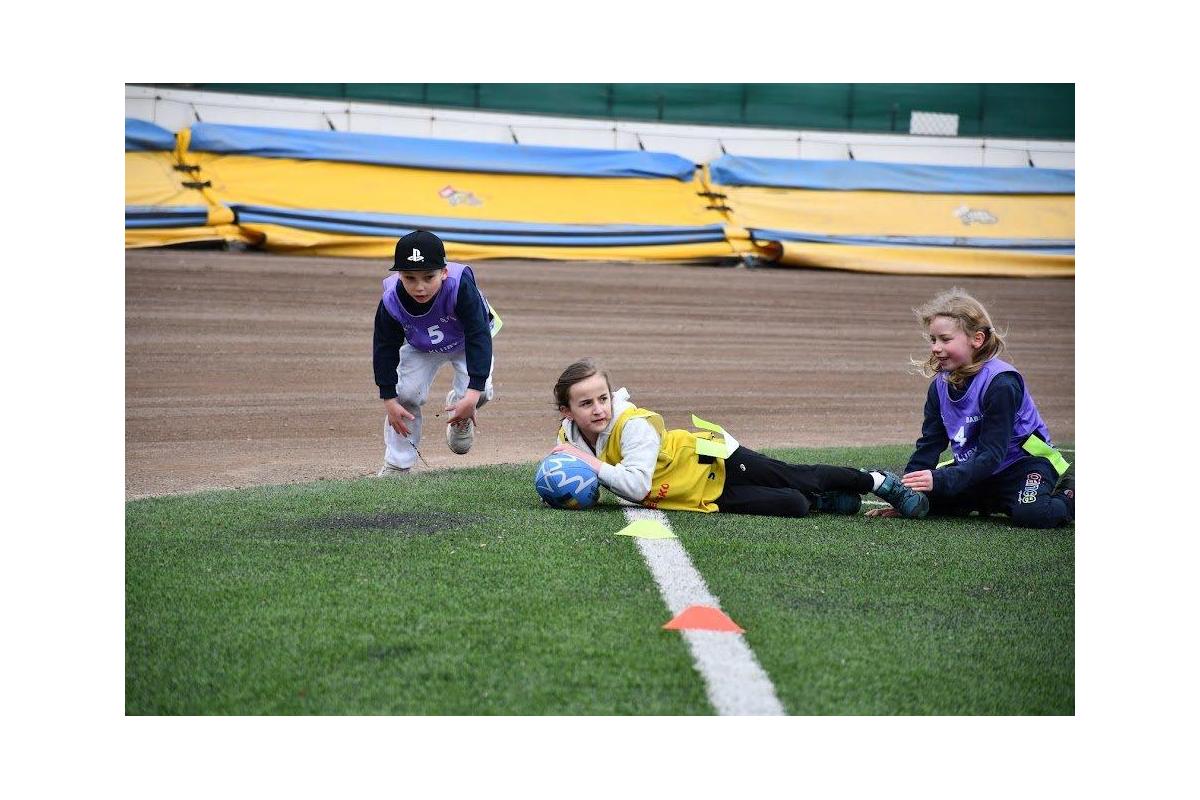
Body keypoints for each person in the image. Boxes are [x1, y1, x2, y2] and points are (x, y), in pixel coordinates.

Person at [548, 359, 928, 517]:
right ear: (567, 411)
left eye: (603, 398)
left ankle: (876, 481)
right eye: (586, 403)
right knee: (794, 505)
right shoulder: (569, 437)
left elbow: (635, 485)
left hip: (713, 458)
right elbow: (583, 480)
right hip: (694, 493)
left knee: (798, 476)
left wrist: (590, 464)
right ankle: (828, 501)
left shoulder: (633, 426)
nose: (598, 409)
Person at [866, 288, 1074, 528]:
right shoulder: (939, 387)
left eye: (945, 339)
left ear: (977, 339)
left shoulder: (1002, 384)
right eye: (933, 340)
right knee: (927, 502)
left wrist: (941, 481)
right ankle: (994, 501)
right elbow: (930, 444)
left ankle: (1072, 492)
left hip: (1022, 466)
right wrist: (907, 496)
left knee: (1033, 514)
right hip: (976, 471)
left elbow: (992, 454)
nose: (935, 347)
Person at [372, 230, 498, 476]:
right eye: (410, 278)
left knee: (479, 391)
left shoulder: (460, 286)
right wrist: (389, 398)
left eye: (429, 277)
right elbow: (384, 347)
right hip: (421, 344)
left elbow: (478, 335)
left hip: (465, 340)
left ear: (444, 272)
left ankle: (459, 414)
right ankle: (397, 465)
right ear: (399, 275)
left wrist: (472, 395)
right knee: (404, 396)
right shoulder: (391, 300)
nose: (419, 287)